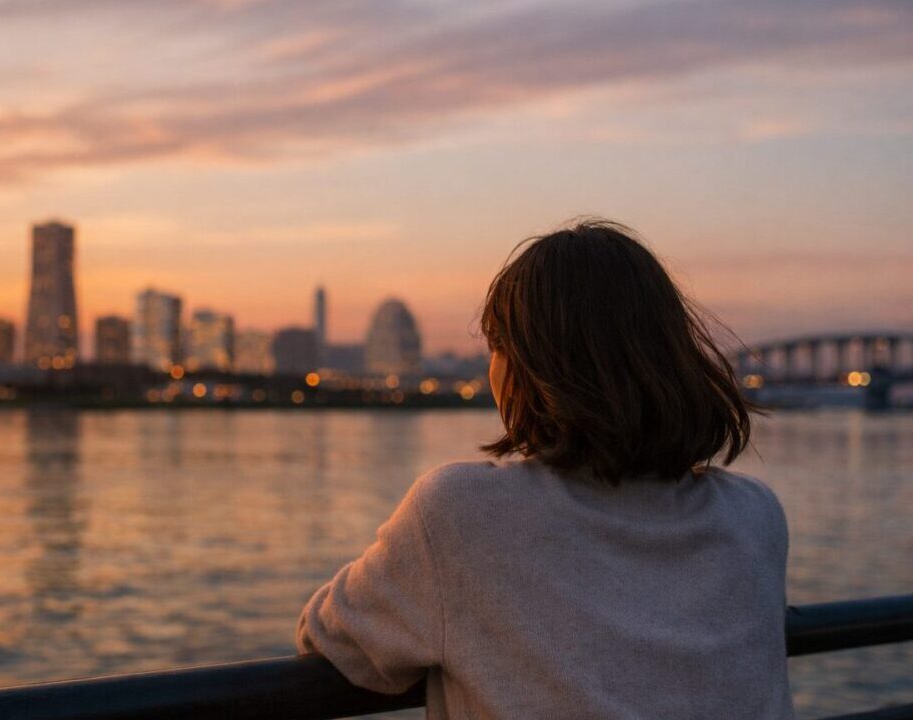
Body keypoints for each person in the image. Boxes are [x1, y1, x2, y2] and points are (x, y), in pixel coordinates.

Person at [296, 220, 793, 719]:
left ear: (524, 370)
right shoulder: (755, 517)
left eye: (496, 348)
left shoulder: (461, 515)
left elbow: (330, 639)